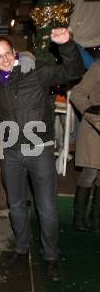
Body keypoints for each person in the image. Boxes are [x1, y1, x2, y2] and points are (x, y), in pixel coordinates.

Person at [0, 28, 84, 282]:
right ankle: (21, 249)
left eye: (8, 54)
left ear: (15, 53)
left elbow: (72, 71)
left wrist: (66, 45)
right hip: (11, 152)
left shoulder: (34, 70)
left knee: (48, 209)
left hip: (39, 149)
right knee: (16, 205)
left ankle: (51, 257)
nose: (4, 59)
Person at [70, 59, 100, 234]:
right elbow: (77, 93)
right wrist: (92, 112)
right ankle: (79, 218)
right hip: (94, 128)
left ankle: (96, 220)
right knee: (90, 173)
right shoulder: (98, 67)